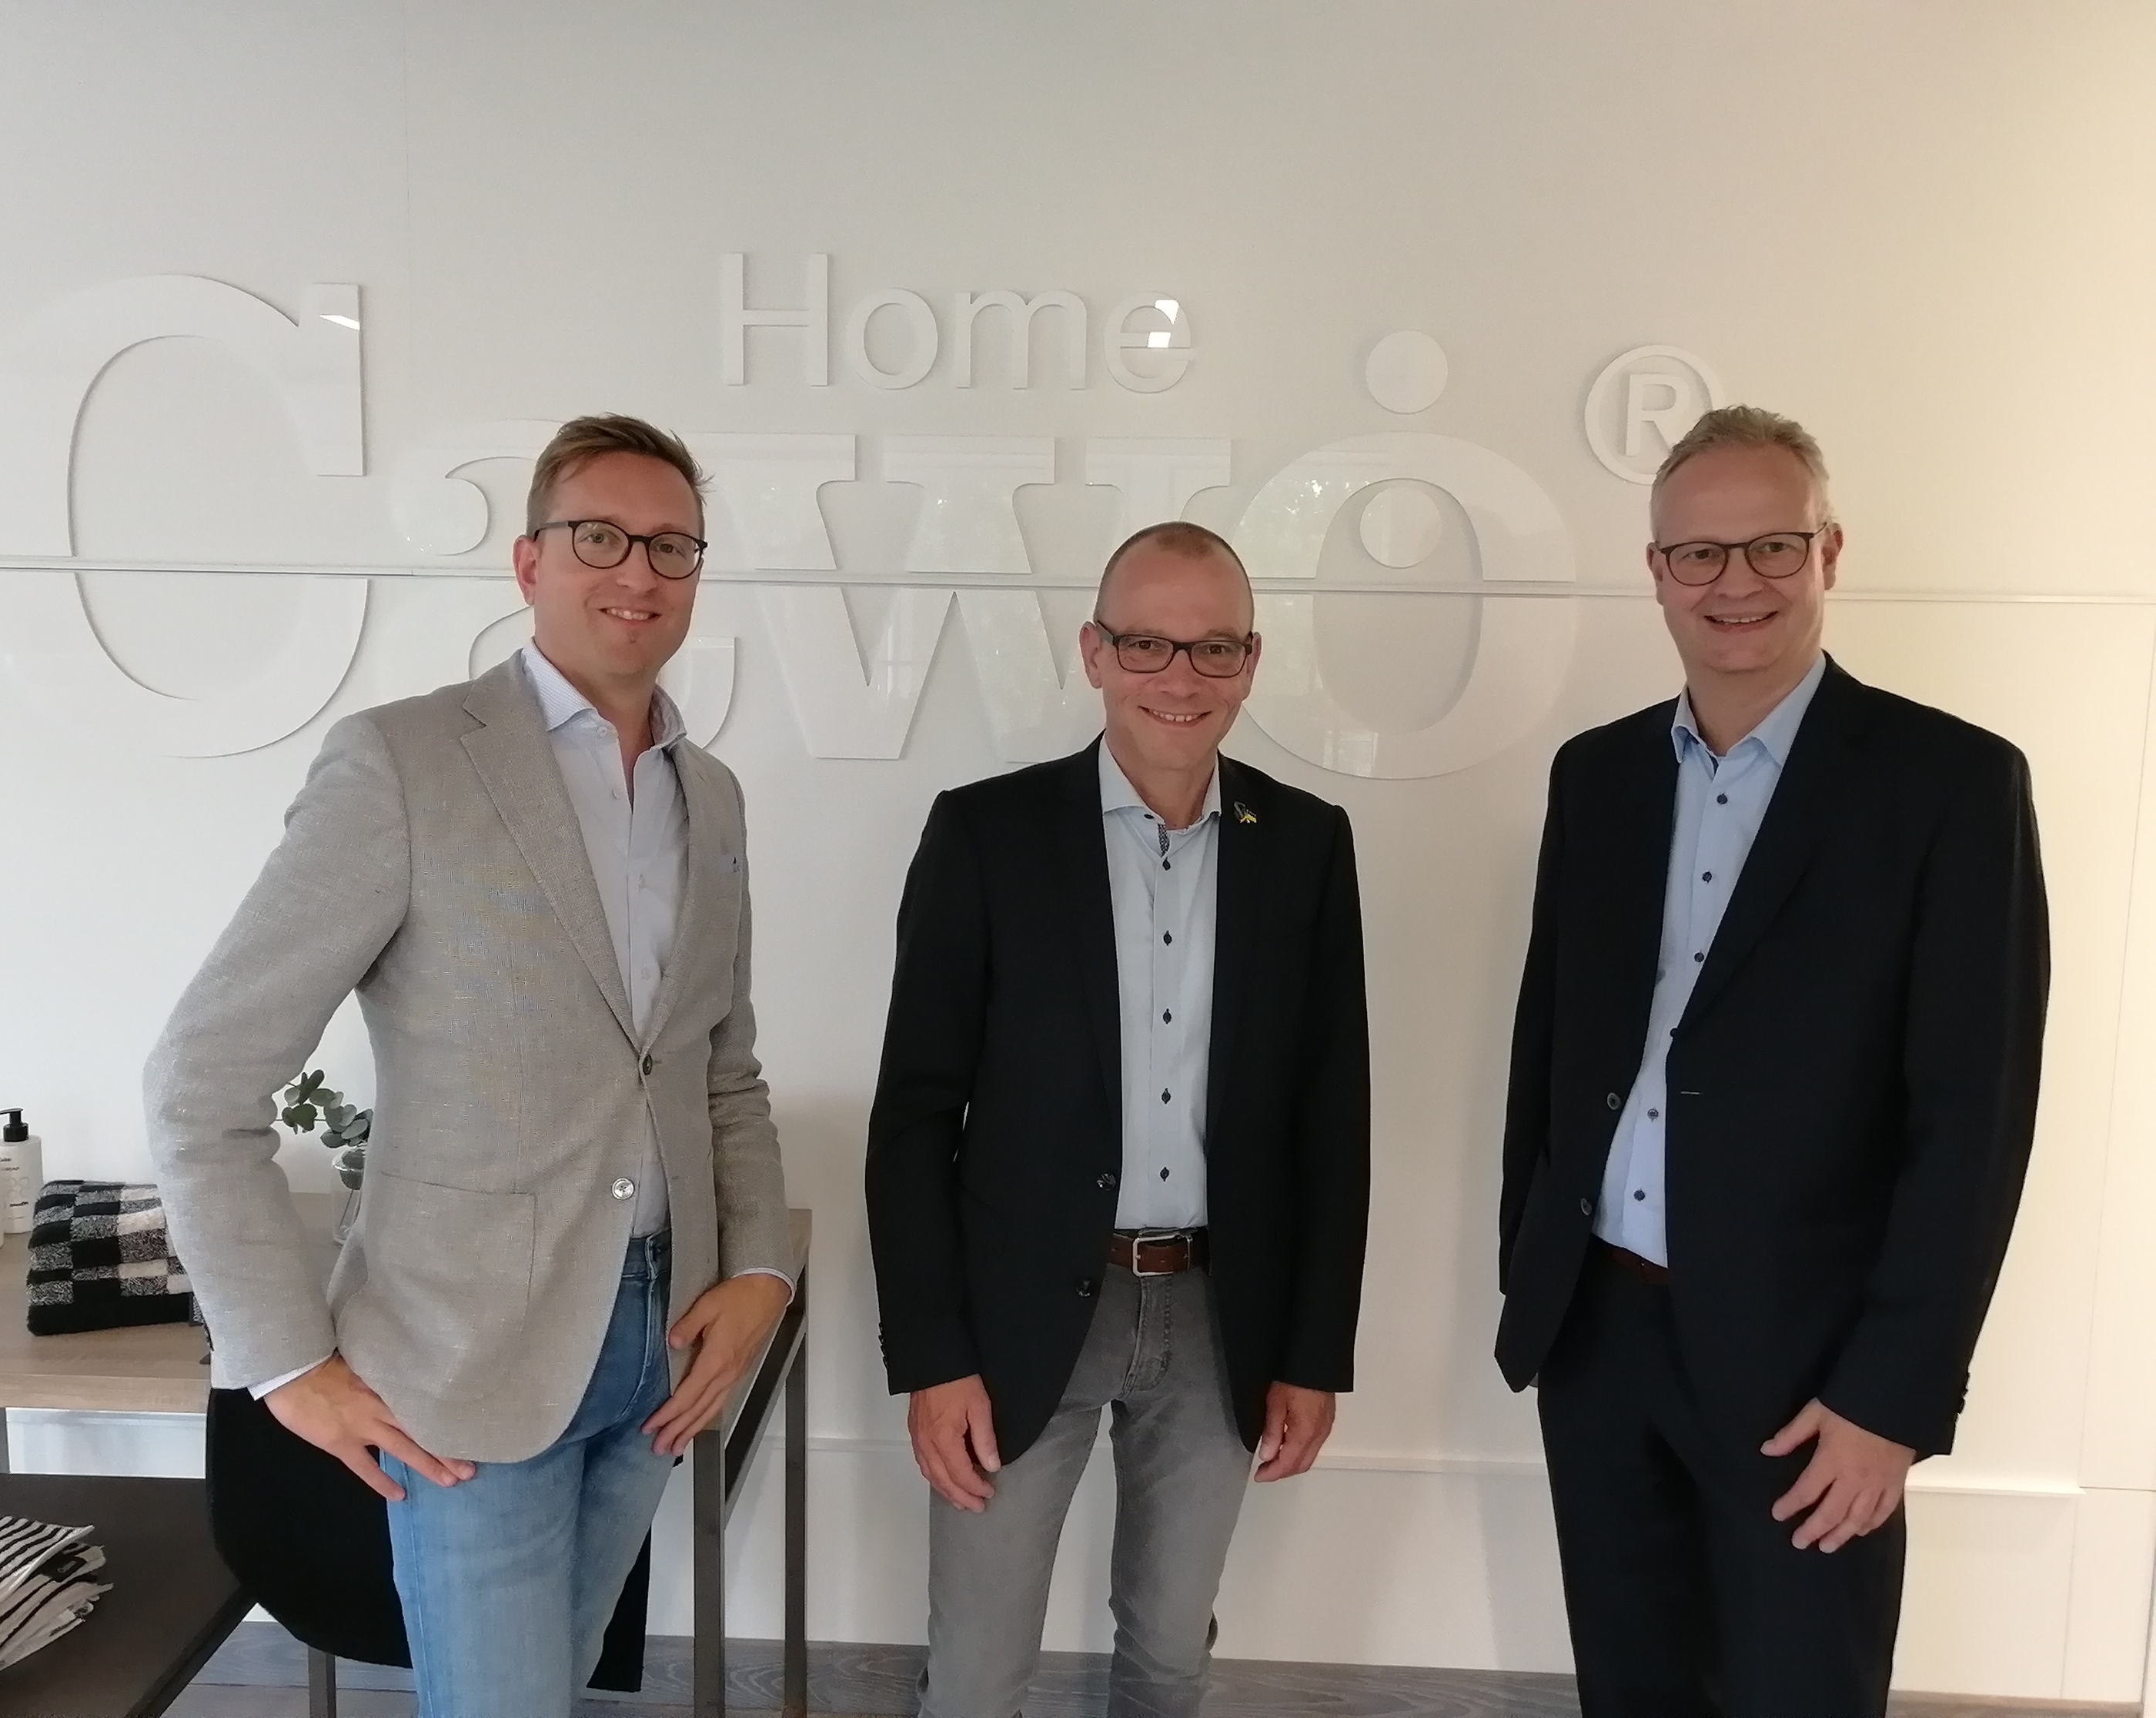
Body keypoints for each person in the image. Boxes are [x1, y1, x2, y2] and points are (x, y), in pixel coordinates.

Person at [145, 416, 794, 1718]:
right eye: (600, 536)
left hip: (661, 1351)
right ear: (529, 562)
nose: (639, 571)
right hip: (465, 1361)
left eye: (672, 546)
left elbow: (721, 1069)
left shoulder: (710, 794)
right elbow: (200, 1078)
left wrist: (763, 1272)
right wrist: (285, 1363)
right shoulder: (402, 762)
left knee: (559, 1690)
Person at [1495, 405, 2050, 1716]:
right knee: (1631, 1691)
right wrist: (1536, 1273)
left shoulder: (1951, 784)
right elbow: (1551, 1046)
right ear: (1657, 570)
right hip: (1601, 1338)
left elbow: (1972, 1122)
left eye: (1772, 547)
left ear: (1828, 552)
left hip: (1812, 1371)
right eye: (1699, 553)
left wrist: (1894, 1398)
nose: (1734, 582)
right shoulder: (1599, 776)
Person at [867, 521, 1372, 1718]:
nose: (1180, 678)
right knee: (978, 1671)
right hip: (1015, 1312)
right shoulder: (987, 834)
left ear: (1250, 663)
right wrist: (933, 1357)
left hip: (1219, 1314)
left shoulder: (1306, 844)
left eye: (1214, 648)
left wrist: (1313, 1353)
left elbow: (1332, 1118)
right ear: (1095, 653)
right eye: (1147, 644)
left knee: (1168, 1659)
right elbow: (915, 1115)